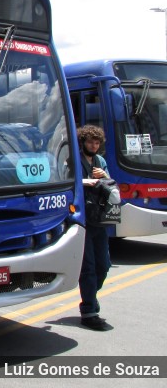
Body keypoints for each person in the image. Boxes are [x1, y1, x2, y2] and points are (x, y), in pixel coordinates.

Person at [77, 125, 113, 331]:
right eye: (90, 142)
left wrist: (104, 177)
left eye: (97, 142)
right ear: (83, 142)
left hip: (99, 219)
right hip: (84, 220)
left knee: (104, 265)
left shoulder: (101, 162)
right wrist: (88, 181)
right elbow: (69, 181)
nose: (94, 145)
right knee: (89, 267)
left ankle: (90, 296)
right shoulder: (74, 160)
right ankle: (89, 311)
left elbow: (111, 185)